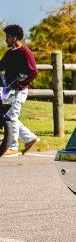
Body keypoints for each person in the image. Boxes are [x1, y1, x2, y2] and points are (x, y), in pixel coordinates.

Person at [1, 25, 39, 156]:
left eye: (7, 37)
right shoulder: (10, 53)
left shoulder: (25, 52)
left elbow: (33, 71)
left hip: (19, 90)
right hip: (8, 90)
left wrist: (20, 83)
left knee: (11, 116)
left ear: (14, 37)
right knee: (7, 116)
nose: (6, 39)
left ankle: (12, 146)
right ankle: (29, 138)